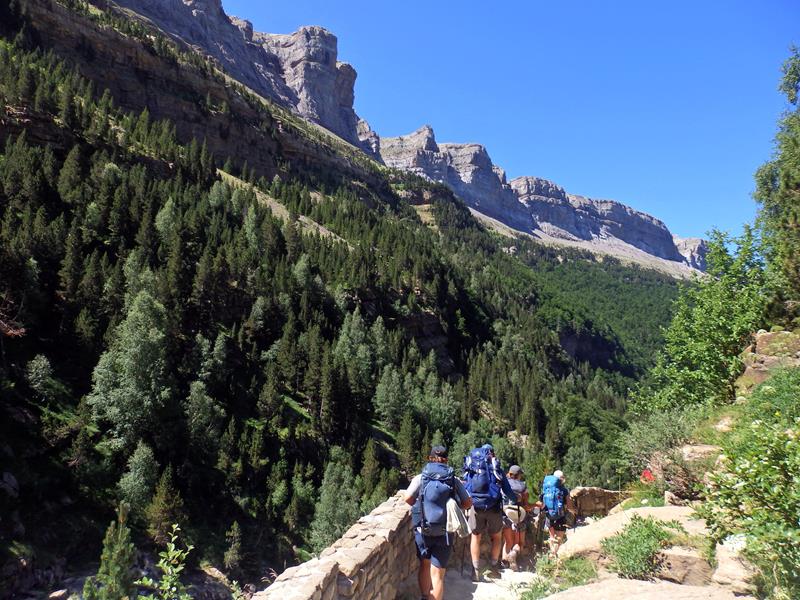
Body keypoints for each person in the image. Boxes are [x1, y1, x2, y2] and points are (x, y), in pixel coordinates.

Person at [404, 445, 472, 600]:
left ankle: (424, 596)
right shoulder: (453, 479)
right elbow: (468, 502)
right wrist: (455, 506)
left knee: (425, 564)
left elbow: (407, 498)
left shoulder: (421, 477)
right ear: (446, 460)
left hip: (423, 529)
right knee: (438, 575)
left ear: (430, 458)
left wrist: (420, 505)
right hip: (445, 532)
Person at [463, 443, 516, 581]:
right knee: (497, 537)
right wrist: (516, 500)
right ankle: (493, 568)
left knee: (475, 537)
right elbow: (507, 490)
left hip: (476, 506)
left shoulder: (473, 467)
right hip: (494, 507)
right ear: (492, 453)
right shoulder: (496, 468)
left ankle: (475, 571)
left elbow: (466, 486)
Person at [501, 464, 533, 571]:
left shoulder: (503, 484)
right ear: (519, 475)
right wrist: (536, 505)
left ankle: (504, 563)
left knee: (508, 541)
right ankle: (513, 554)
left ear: (509, 474)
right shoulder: (523, 486)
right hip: (519, 516)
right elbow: (526, 505)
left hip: (505, 514)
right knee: (519, 543)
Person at [540, 469, 572, 556]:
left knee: (552, 537)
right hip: (560, 516)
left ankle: (552, 554)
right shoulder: (564, 490)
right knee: (559, 538)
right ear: (562, 479)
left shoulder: (547, 488)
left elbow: (542, 502)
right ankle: (555, 555)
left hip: (549, 515)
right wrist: (573, 510)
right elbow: (569, 506)